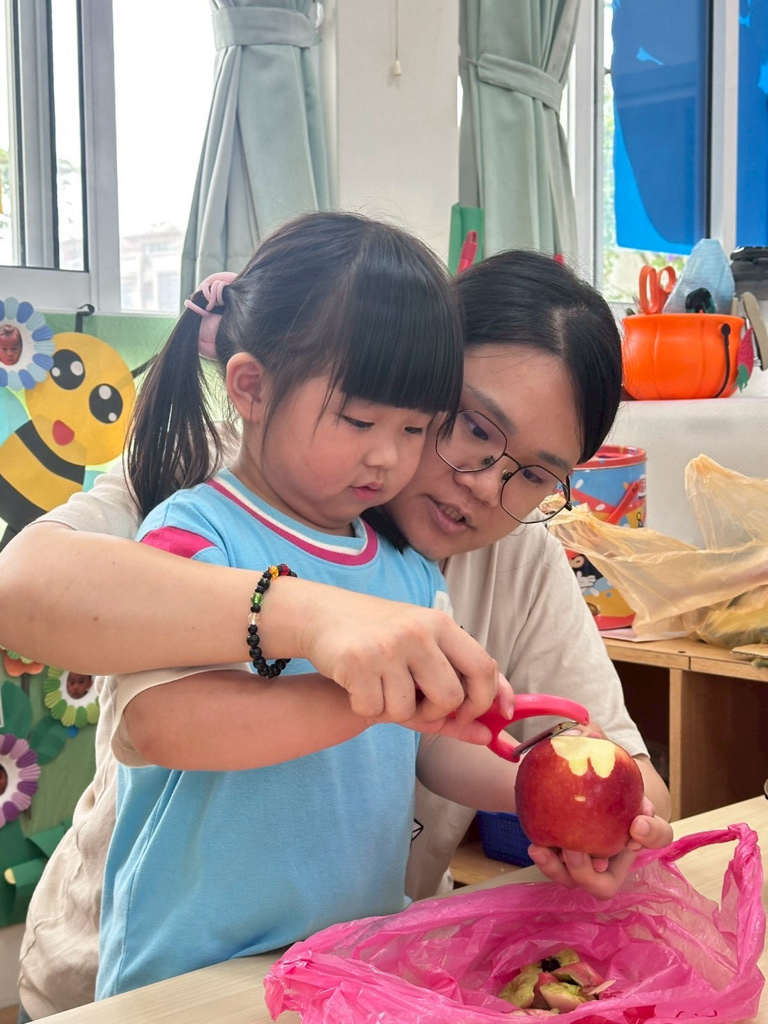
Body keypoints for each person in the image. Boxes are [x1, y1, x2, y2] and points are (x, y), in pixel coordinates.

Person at [0, 248, 671, 1019]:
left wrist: (563, 801)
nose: (487, 485)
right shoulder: (211, 495)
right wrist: (325, 633)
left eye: (536, 476)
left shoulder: (419, 571)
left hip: (345, 977)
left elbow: (445, 745)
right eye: (470, 428)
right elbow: (104, 670)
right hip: (165, 979)